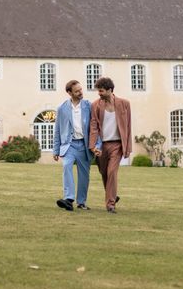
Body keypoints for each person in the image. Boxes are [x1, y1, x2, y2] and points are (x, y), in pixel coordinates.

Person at [89, 77, 132, 213]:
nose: (99, 93)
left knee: (112, 172)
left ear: (110, 90)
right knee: (104, 173)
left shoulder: (124, 104)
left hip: (117, 145)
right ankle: (112, 195)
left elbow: (128, 126)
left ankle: (110, 204)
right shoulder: (95, 105)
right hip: (102, 145)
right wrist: (93, 146)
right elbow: (94, 126)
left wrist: (128, 147)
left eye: (101, 91)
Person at [53, 80, 94, 211]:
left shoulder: (89, 106)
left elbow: (95, 127)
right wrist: (56, 150)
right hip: (69, 145)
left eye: (81, 90)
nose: (80, 92)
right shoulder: (62, 108)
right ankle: (69, 199)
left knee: (84, 175)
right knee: (66, 166)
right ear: (70, 93)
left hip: (84, 145)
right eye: (77, 91)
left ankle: (81, 202)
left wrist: (96, 144)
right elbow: (58, 130)